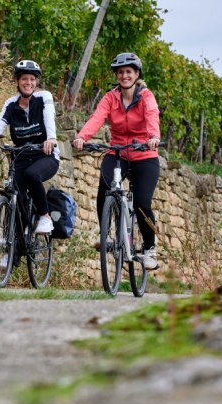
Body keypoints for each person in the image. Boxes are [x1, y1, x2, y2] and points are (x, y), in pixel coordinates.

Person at [71, 52, 162, 270]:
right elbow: (97, 117)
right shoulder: (110, 97)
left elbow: (152, 115)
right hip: (118, 152)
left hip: (144, 154)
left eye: (128, 71)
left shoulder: (146, 96)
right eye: (120, 72)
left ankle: (149, 249)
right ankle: (106, 235)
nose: (124, 76)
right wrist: (82, 137)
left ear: (137, 74)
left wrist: (153, 137)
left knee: (141, 203)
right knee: (105, 187)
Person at [0, 59, 60, 242]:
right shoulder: (11, 104)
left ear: (36, 82)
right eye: (24, 79)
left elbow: (49, 118)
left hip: (45, 155)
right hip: (21, 156)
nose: (28, 83)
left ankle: (44, 216)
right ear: (17, 81)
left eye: (32, 79)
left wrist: (51, 138)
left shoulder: (44, 97)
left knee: (32, 175)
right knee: (15, 194)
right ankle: (13, 249)